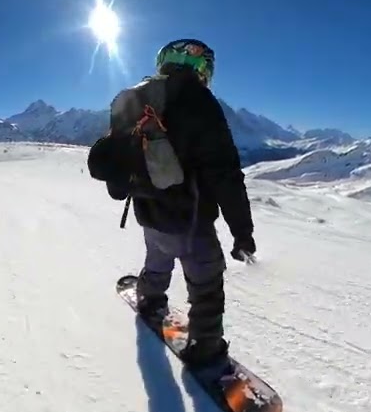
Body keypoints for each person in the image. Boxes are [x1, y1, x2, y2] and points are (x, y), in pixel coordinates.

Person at [100, 38, 256, 374]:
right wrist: (242, 231)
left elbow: (118, 158)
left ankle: (150, 298)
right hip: (190, 217)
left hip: (146, 210)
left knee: (157, 257)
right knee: (206, 280)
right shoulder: (199, 101)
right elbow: (224, 172)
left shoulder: (134, 96)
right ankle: (205, 344)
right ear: (199, 67)